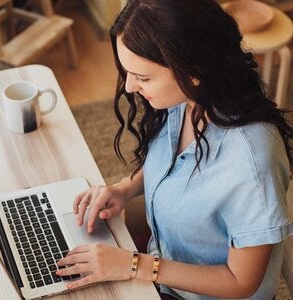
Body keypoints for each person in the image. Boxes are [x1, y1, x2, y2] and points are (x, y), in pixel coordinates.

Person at [56, 0, 293, 299]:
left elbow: (242, 282)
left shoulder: (251, 162)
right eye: (128, 73)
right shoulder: (185, 100)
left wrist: (135, 265)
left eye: (142, 77)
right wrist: (123, 189)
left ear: (193, 71)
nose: (129, 87)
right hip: (163, 259)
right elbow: (175, 161)